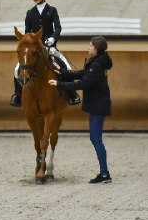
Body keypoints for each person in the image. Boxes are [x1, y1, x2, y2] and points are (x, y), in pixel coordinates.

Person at [48, 36, 113, 184]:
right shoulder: (96, 62)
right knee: (95, 139)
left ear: (97, 49)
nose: (88, 47)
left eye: (90, 46)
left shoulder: (96, 65)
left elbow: (83, 84)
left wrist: (59, 84)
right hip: (97, 103)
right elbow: (82, 73)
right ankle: (104, 173)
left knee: (96, 139)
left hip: (98, 105)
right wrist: (62, 71)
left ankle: (104, 174)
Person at [10, 0, 81, 107]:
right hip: (34, 49)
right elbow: (27, 32)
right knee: (17, 70)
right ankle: (17, 95)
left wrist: (53, 38)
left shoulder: (52, 10)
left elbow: (58, 27)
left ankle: (72, 94)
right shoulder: (30, 13)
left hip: (50, 48)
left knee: (67, 67)